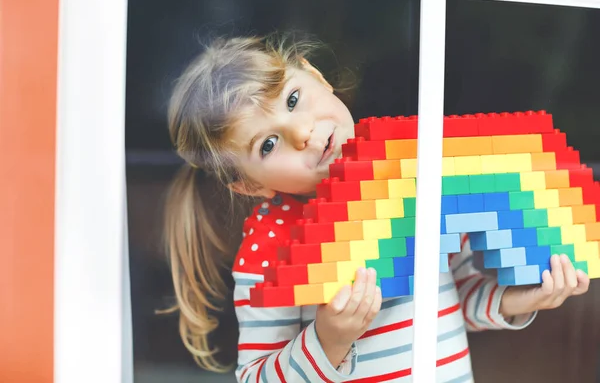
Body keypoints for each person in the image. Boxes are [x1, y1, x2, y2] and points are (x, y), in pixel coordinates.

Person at [162, 33, 590, 382]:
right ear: (250, 185)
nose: (304, 133)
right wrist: (327, 339)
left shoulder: (413, 176)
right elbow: (254, 377)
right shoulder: (270, 249)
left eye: (293, 100)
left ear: (315, 75)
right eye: (268, 145)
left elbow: (457, 296)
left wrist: (521, 298)